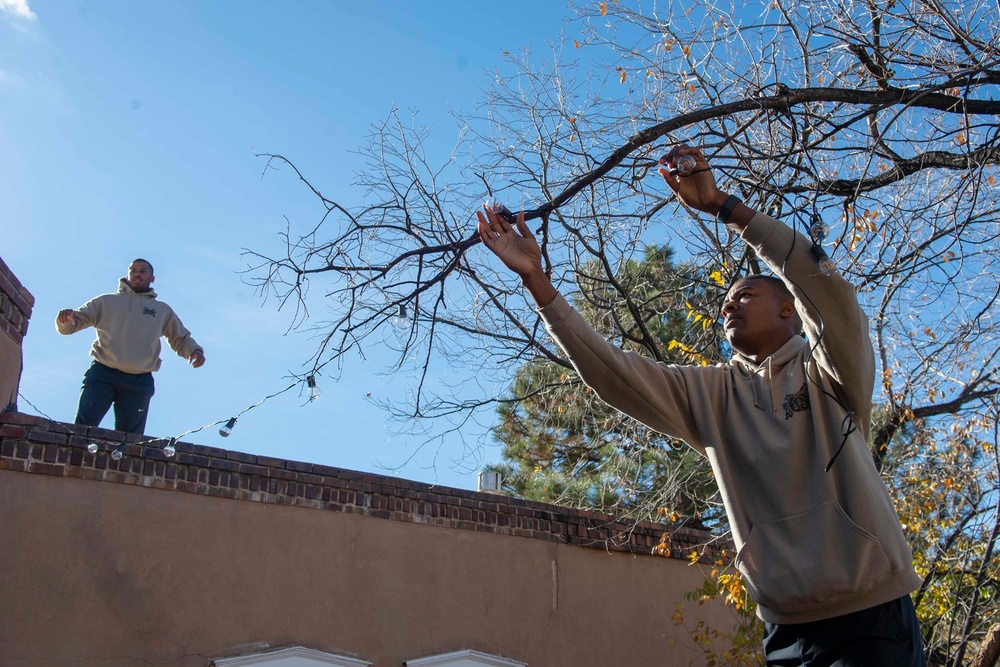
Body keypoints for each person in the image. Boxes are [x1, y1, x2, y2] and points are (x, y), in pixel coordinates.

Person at [476, 146, 925, 666]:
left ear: (789, 310)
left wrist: (724, 207)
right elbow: (614, 374)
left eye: (746, 294)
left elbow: (829, 295)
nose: (728, 303)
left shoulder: (829, 373)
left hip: (870, 615)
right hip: (783, 630)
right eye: (725, 300)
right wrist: (536, 280)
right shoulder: (713, 395)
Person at [56, 258, 205, 435]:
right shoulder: (106, 302)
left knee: (129, 442)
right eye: (133, 270)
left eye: (142, 271)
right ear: (127, 274)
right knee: (82, 430)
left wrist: (194, 351)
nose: (137, 274)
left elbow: (180, 338)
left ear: (152, 278)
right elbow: (73, 323)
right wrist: (65, 320)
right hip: (103, 374)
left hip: (138, 381)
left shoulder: (161, 310)